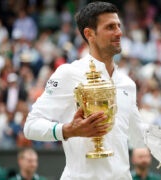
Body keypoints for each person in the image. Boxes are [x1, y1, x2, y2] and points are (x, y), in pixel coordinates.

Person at [24, 2, 145, 179]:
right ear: (89, 34)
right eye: (110, 27)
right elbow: (30, 126)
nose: (119, 32)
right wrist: (67, 130)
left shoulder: (127, 83)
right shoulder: (68, 73)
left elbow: (137, 136)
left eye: (119, 26)